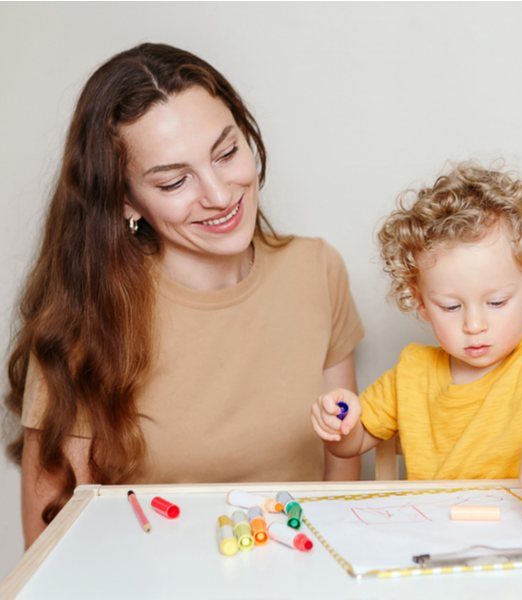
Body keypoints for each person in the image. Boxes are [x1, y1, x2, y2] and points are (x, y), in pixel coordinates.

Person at [4, 43, 364, 548]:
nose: (219, 195)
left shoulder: (317, 270)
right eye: (175, 181)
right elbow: (52, 549)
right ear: (126, 200)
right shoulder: (83, 321)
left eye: (227, 152)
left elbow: (340, 473)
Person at [311, 161, 522, 526]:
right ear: (421, 302)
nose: (474, 325)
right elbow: (350, 445)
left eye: (496, 303)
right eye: (450, 306)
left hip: (518, 543)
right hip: (429, 545)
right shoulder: (412, 372)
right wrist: (339, 425)